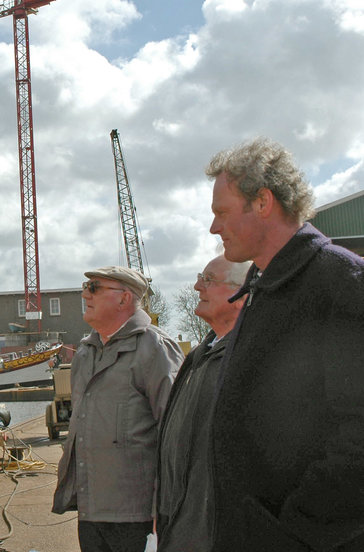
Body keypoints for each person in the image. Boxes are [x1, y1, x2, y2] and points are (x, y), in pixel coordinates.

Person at [205, 138, 364, 551]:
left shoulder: (340, 284)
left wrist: (292, 529)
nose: (213, 228)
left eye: (221, 212)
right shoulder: (264, 289)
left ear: (262, 202)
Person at [52, 266, 183, 552]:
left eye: (95, 287)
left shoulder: (155, 348)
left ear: (124, 299)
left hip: (137, 516)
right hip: (91, 510)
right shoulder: (86, 352)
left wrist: (165, 511)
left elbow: (176, 436)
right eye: (85, 286)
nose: (85, 294)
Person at [155, 254, 250, 551]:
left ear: (241, 294)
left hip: (216, 533)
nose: (197, 286)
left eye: (208, 280)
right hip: (179, 525)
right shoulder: (198, 356)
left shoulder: (248, 358)